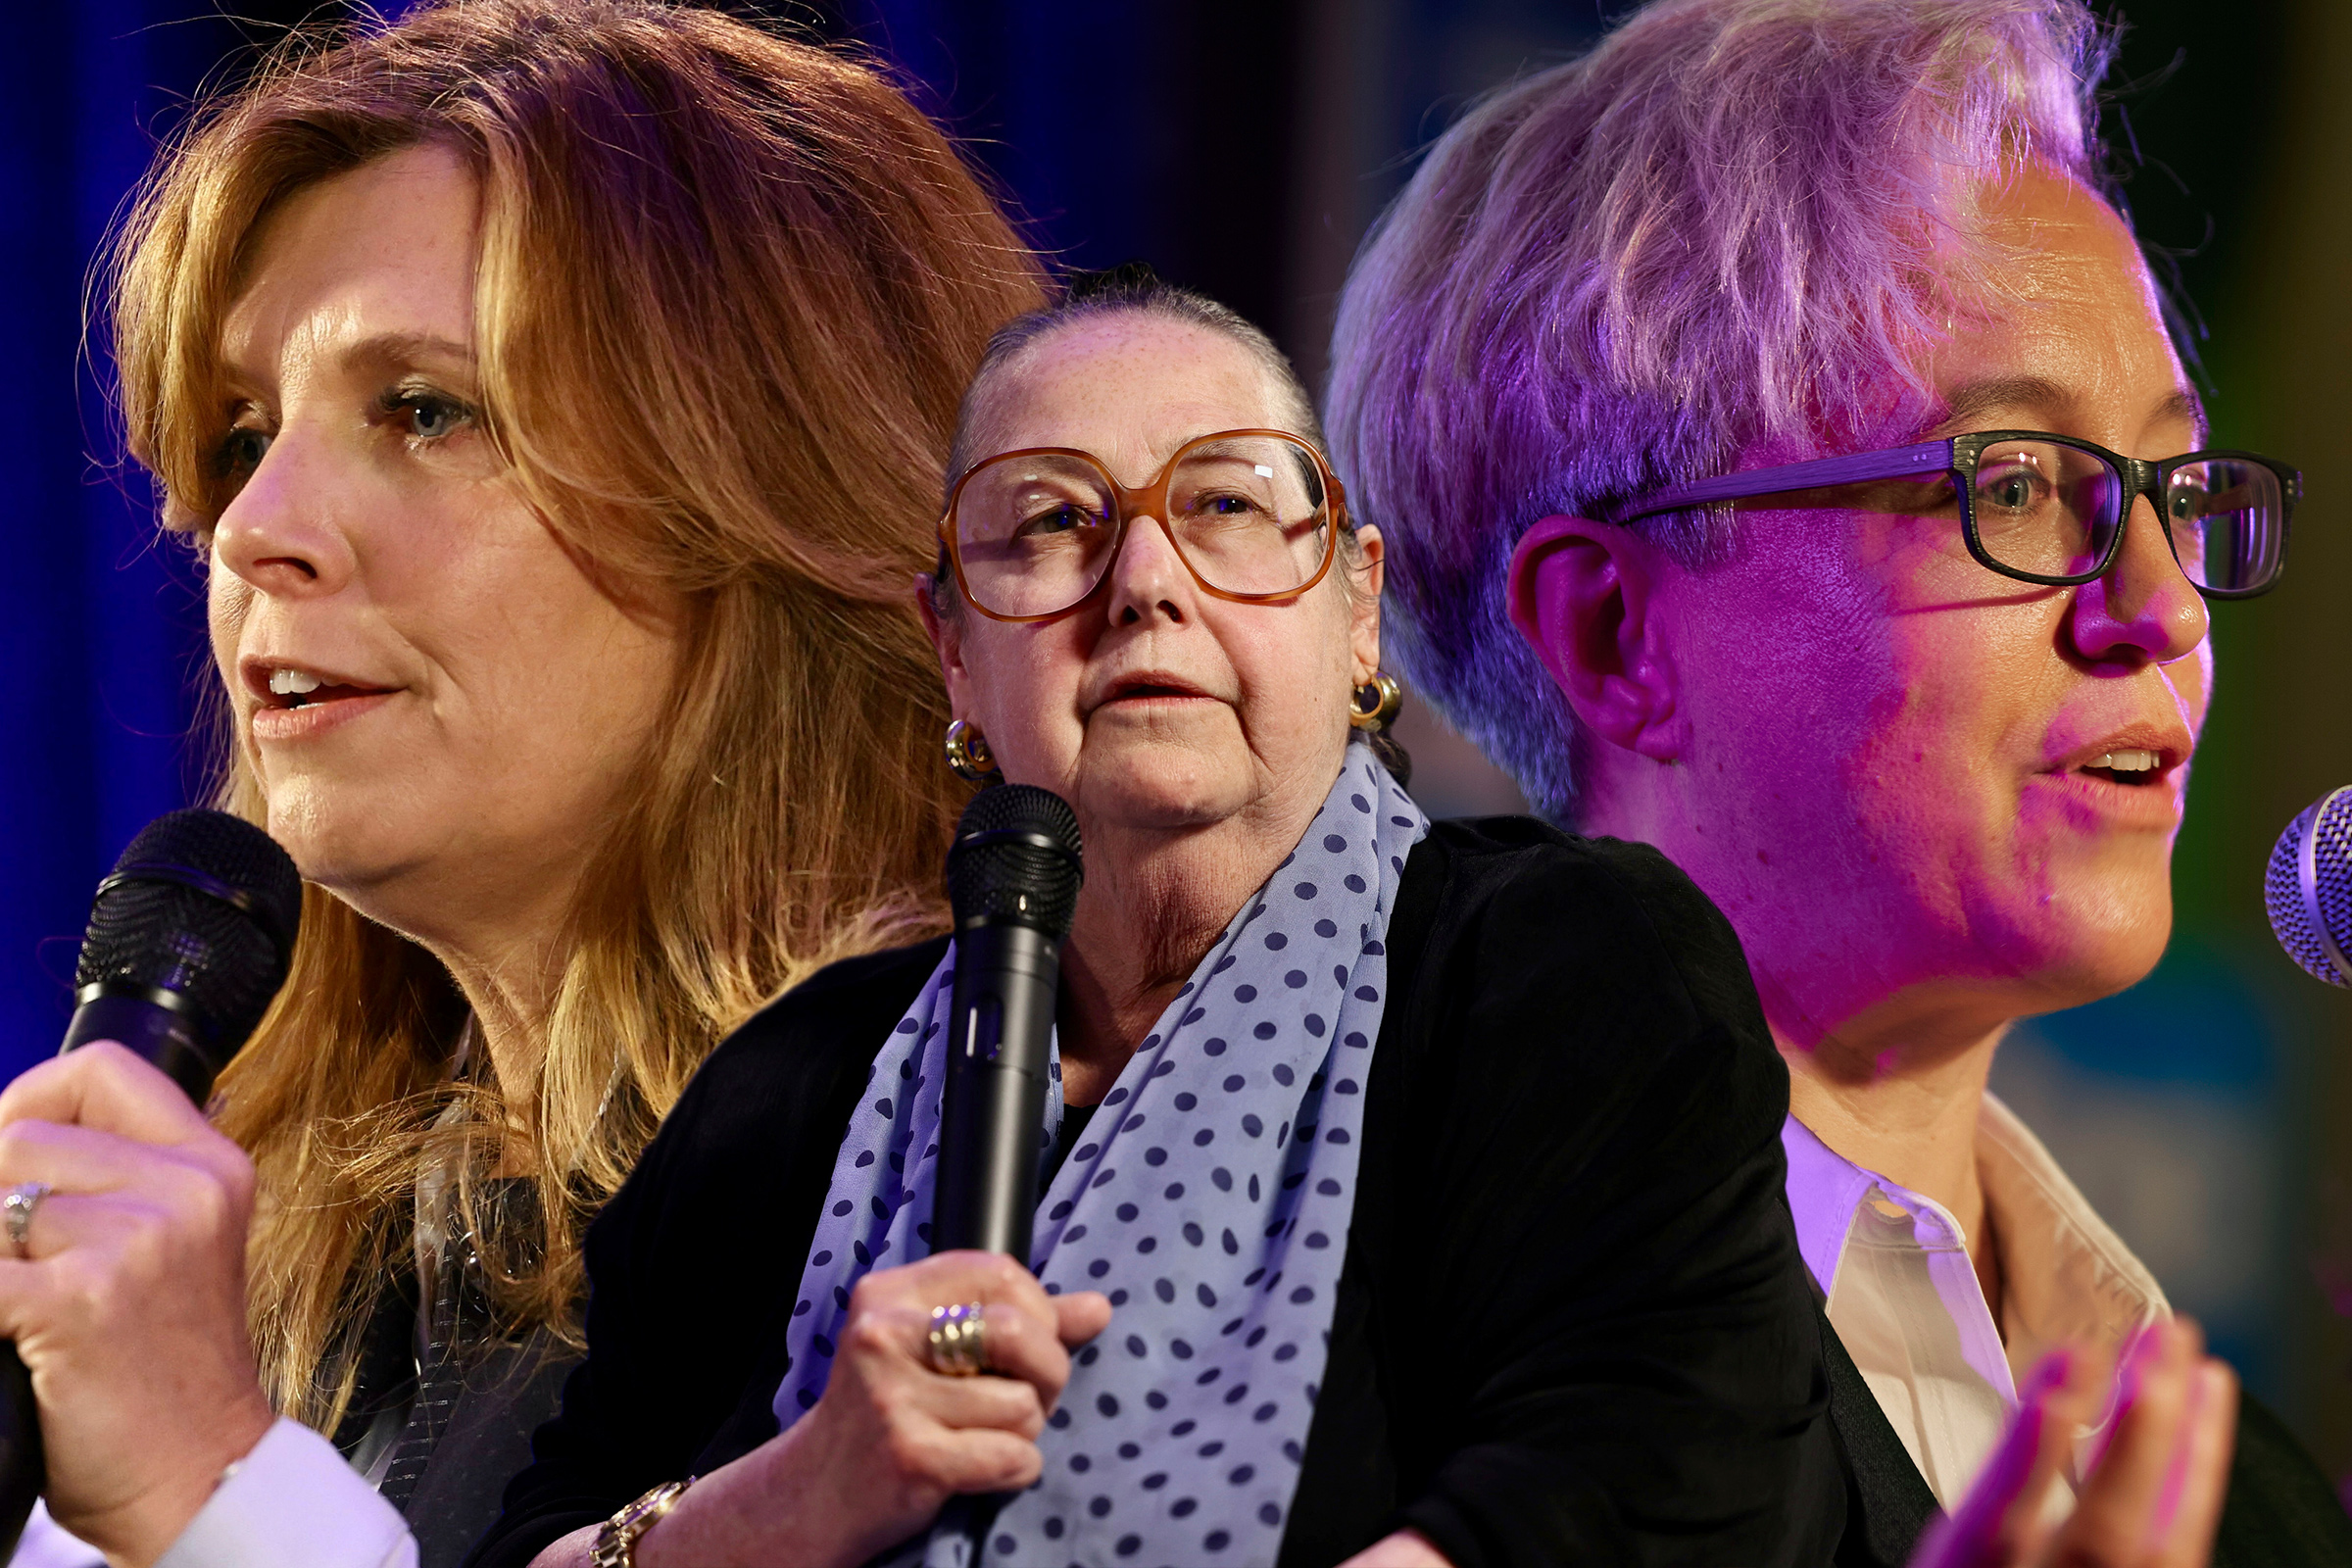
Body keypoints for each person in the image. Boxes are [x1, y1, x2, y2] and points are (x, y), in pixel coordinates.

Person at [465, 268, 1845, 1568]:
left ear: (1357, 609)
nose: (1144, 581)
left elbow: (1647, 1481)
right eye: (1055, 520)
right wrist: (802, 1489)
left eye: (1229, 507)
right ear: (954, 647)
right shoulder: (789, 1091)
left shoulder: (1560, 967)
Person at [0, 3, 1048, 1565]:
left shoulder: (990, 1202)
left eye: (427, 411)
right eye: (242, 433)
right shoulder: (303, 1268)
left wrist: (210, 1494)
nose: (250, 525)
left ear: (773, 500)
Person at [1326, 0, 2348, 1563]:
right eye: (2010, 482)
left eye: (2178, 488)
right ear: (1612, 634)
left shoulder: (2248, 1505)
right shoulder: (1341, 1358)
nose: (2161, 606)